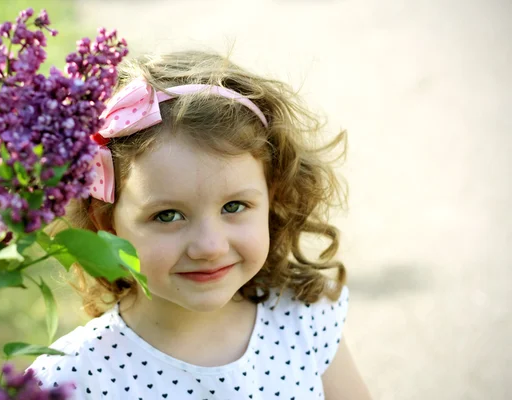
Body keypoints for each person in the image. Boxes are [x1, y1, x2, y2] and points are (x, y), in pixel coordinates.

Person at [29, 50, 372, 399]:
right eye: (167, 216)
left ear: (272, 198)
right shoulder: (70, 379)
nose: (210, 246)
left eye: (234, 206)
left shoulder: (304, 320)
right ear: (108, 224)